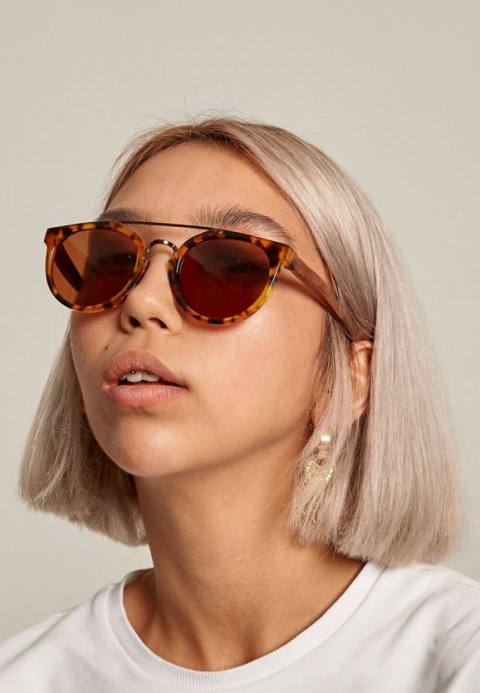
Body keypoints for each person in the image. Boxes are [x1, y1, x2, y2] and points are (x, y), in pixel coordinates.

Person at [1, 117, 479, 692]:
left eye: (230, 267)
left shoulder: (456, 659)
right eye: (111, 263)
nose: (142, 302)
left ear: (351, 377)